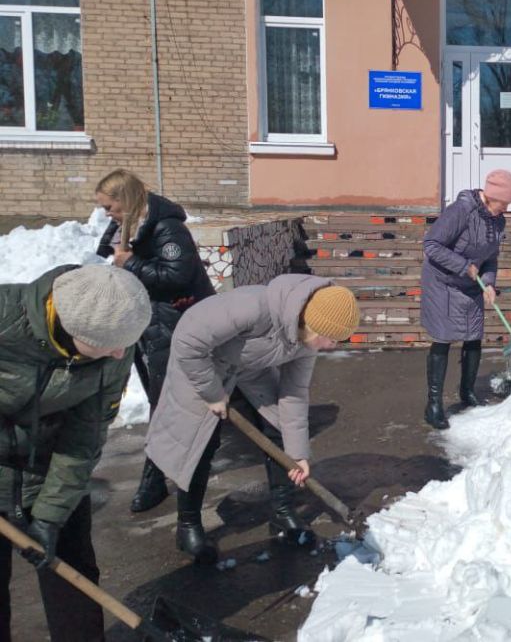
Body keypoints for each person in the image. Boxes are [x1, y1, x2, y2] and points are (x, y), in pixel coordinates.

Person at [146, 275, 360, 564]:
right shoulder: (253, 308)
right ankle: (188, 526)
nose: (332, 346)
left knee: (280, 428)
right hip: (202, 364)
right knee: (200, 443)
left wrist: (297, 454)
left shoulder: (306, 343)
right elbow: (188, 342)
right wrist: (212, 393)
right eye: (330, 338)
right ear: (311, 323)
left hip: (249, 368)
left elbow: (294, 393)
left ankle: (282, 512)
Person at [0, 264, 151, 642]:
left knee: (73, 581)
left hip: (50, 467)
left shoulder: (114, 349)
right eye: (111, 344)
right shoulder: (5, 317)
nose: (121, 353)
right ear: (73, 329)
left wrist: (50, 516)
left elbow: (84, 438)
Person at [94, 168, 215, 514]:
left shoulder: (167, 228)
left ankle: (157, 478)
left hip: (177, 324)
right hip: (149, 324)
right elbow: (111, 255)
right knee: (157, 398)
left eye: (109, 207)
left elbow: (178, 276)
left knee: (165, 403)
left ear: (125, 199)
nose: (106, 214)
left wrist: (132, 263)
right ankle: (159, 473)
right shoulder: (131, 224)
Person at [420, 169, 511, 430]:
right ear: (491, 197)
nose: (505, 209)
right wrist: (463, 266)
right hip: (443, 282)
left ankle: (467, 391)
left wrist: (489, 282)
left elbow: (491, 257)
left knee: (473, 336)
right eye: (504, 203)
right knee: (443, 338)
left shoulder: (498, 221)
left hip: (471, 284)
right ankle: (433, 405)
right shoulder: (462, 210)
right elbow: (431, 245)